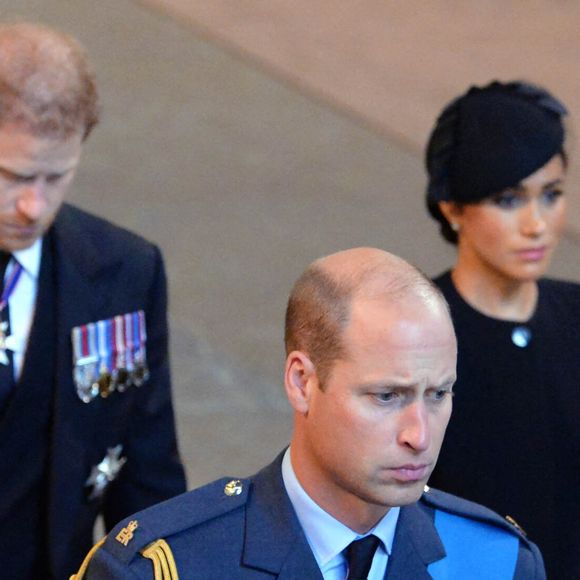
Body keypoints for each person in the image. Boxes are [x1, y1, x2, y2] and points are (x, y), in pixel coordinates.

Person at [73, 247, 544, 579]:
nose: (419, 435)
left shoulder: (497, 562)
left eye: (439, 394)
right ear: (302, 382)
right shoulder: (167, 568)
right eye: (387, 396)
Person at [0, 22, 186, 579]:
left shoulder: (125, 273)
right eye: (12, 176)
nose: (34, 206)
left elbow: (148, 484)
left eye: (57, 177)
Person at [425, 80, 580, 578]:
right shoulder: (413, 334)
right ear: (453, 208)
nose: (537, 224)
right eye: (509, 200)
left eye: (552, 195)